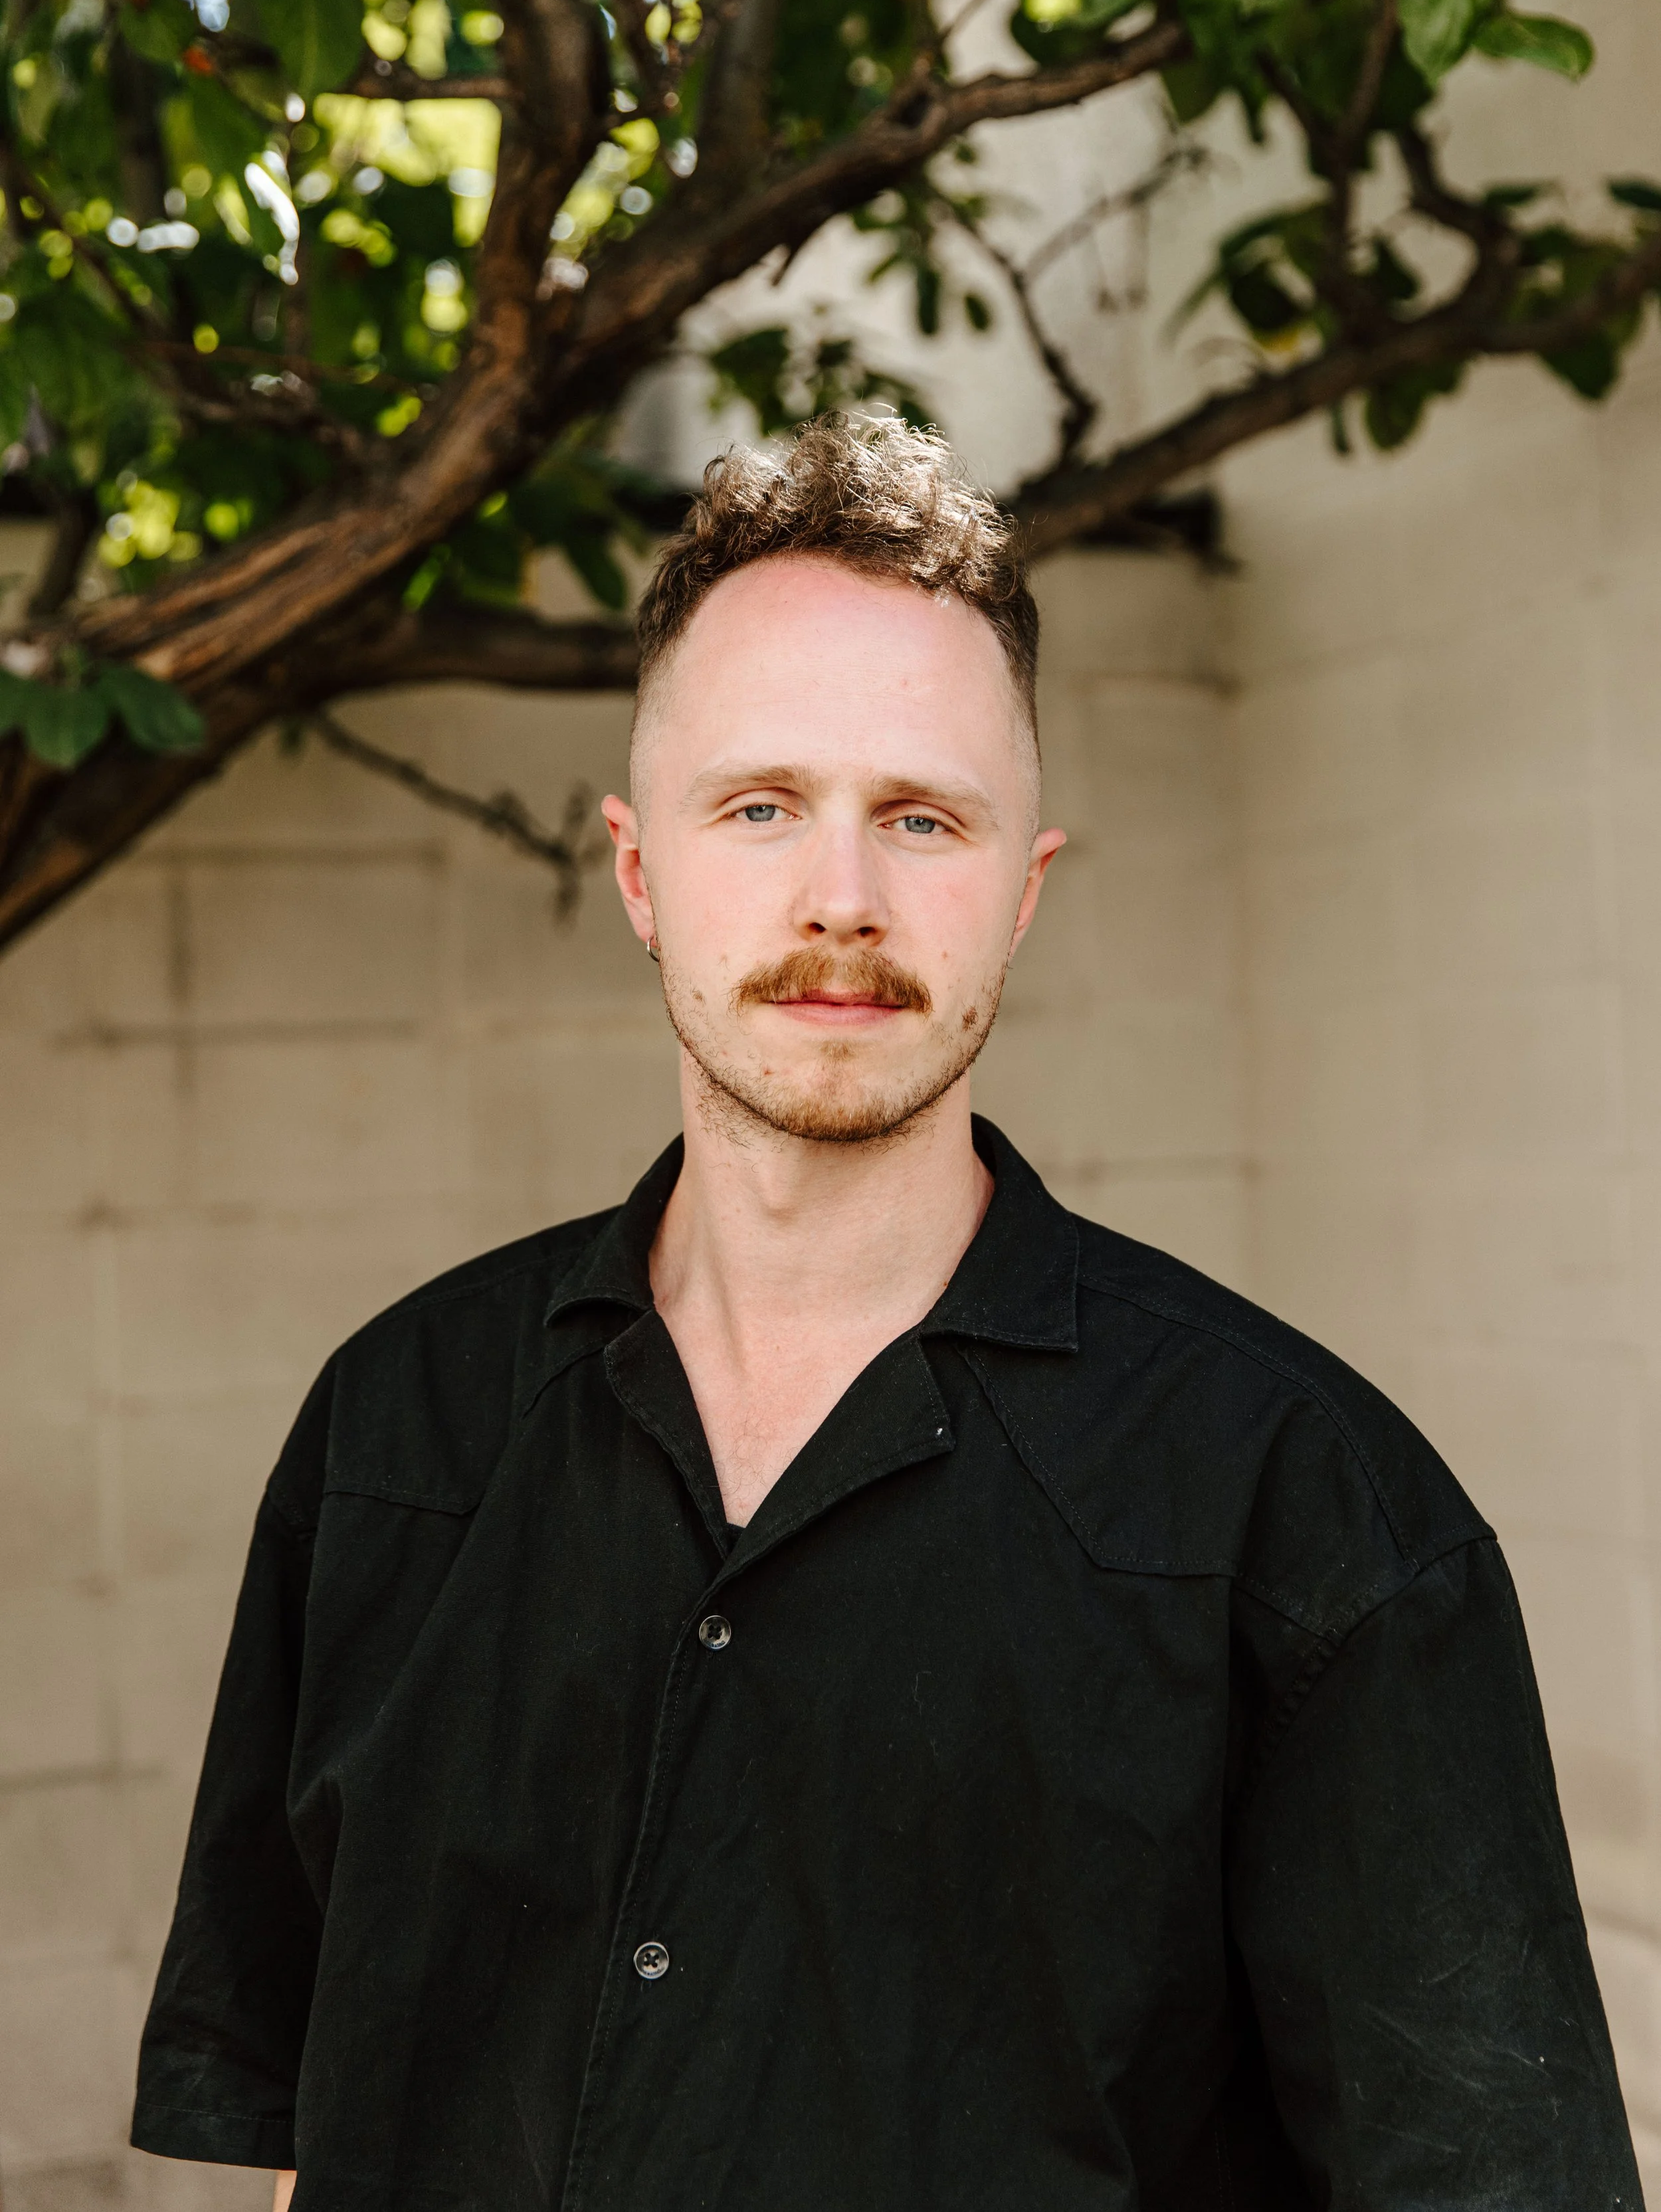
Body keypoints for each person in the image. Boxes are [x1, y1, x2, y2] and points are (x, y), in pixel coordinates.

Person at [132, 417, 1640, 2211]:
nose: (840, 899)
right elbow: (312, 2134)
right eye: (760, 805)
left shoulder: (1308, 1517)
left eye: (921, 819)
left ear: (1022, 890)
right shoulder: (394, 1433)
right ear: (638, 869)